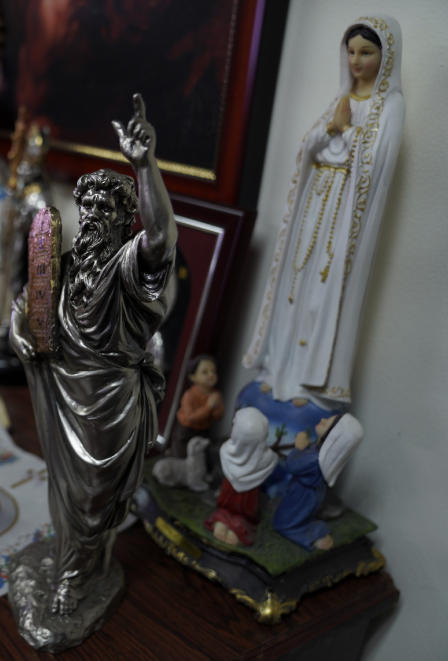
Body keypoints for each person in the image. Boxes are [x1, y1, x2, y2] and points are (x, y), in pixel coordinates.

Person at [9, 94, 176, 618]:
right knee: (64, 496)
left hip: (108, 405)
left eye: (109, 208)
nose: (96, 215)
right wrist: (19, 332)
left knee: (92, 502)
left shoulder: (128, 269)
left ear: (125, 220)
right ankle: (74, 566)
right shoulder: (59, 264)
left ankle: (77, 583)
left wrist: (143, 165)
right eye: (90, 207)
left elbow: (161, 236)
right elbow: (25, 306)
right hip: (61, 395)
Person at [242, 16, 404, 411]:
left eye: (366, 52)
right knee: (296, 283)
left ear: (386, 56)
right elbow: (309, 148)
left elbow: (376, 164)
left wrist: (345, 133)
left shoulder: (391, 106)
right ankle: (281, 368)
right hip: (316, 207)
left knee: (324, 291)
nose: (356, 60)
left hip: (345, 218)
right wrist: (334, 128)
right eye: (351, 51)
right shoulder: (341, 99)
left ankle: (311, 380)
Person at [267, 413, 364, 550]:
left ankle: (311, 536)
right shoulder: (320, 453)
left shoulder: (316, 459)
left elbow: (292, 465)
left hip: (301, 495)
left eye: (326, 423)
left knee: (283, 523)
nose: (322, 420)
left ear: (333, 437)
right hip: (308, 493)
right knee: (298, 515)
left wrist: (298, 448)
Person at [205, 407, 278, 546]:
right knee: (240, 515)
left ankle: (228, 523)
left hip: (227, 498)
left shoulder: (226, 451)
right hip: (248, 503)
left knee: (231, 513)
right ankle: (233, 525)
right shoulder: (268, 459)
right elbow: (273, 459)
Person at [166, 354, 224, 458]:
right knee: (180, 453)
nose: (211, 375)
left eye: (213, 371)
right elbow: (190, 418)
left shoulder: (215, 394)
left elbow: (219, 416)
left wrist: (216, 408)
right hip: (187, 430)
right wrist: (209, 407)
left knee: (200, 454)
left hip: (204, 430)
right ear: (193, 377)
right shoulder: (189, 395)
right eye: (205, 372)